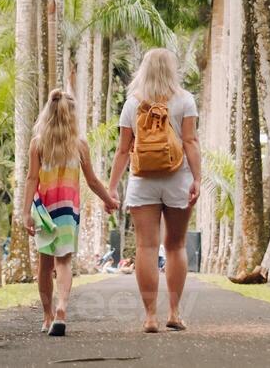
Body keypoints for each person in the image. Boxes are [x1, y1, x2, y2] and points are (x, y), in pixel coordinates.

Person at [107, 48, 201, 333]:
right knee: (175, 245)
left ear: (143, 70)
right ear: (172, 70)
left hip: (142, 179)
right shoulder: (185, 100)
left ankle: (150, 317)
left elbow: (123, 150)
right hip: (178, 178)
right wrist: (197, 178)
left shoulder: (133, 103)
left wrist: (111, 187)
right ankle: (174, 312)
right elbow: (191, 142)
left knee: (146, 247)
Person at [22, 89, 119, 337]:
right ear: (71, 115)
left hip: (44, 209)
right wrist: (109, 200)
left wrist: (25, 213)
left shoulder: (38, 144)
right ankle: (62, 310)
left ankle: (47, 316)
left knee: (45, 265)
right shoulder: (79, 145)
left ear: (48, 113)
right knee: (63, 262)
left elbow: (32, 179)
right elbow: (93, 181)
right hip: (68, 211)